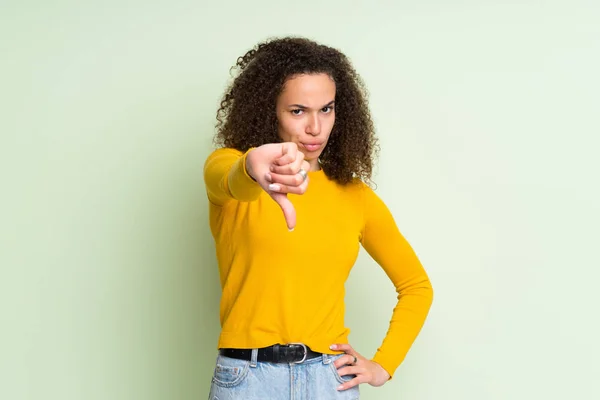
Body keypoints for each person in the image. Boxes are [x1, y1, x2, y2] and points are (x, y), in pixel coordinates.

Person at [203, 36, 433, 399]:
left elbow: (416, 286)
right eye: (297, 111)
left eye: (326, 109)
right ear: (268, 111)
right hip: (248, 380)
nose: (315, 127)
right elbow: (231, 179)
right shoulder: (229, 167)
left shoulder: (355, 196)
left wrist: (382, 365)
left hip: (330, 381)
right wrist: (252, 166)